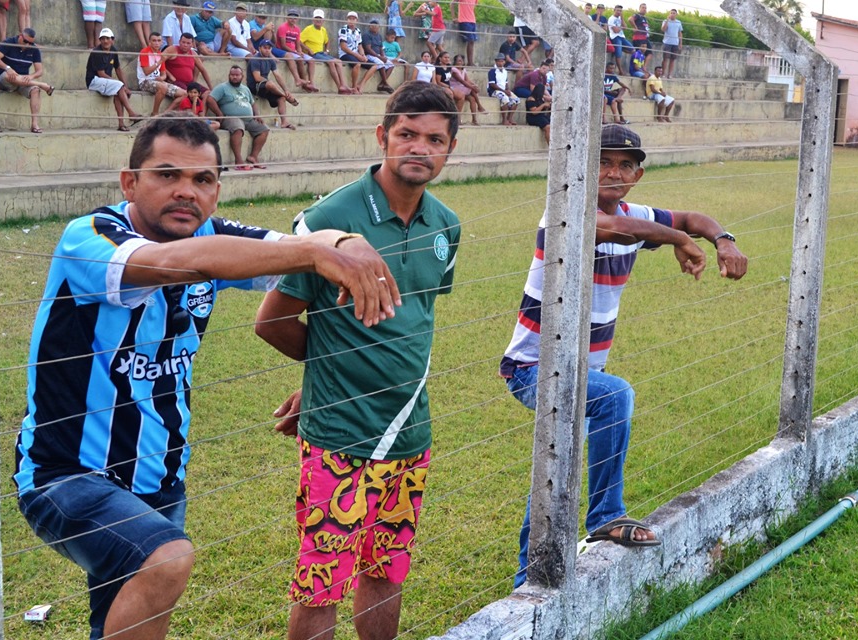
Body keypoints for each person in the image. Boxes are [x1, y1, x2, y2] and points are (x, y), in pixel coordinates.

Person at [13, 114, 399, 640]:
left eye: (202, 180)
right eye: (166, 175)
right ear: (130, 182)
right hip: (67, 474)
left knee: (123, 612)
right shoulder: (91, 237)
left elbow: (295, 240)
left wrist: (346, 239)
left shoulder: (216, 236)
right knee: (166, 560)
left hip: (160, 477)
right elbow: (182, 263)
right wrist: (314, 253)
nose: (185, 192)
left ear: (217, 191)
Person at [254, 80, 461, 640]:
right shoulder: (332, 216)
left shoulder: (446, 225)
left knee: (387, 570)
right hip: (340, 436)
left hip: (411, 432)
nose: (420, 148)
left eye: (435, 139)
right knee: (322, 580)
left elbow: (416, 322)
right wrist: (325, 375)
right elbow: (270, 321)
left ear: (450, 149)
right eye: (407, 134)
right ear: (382, 136)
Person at [501, 124, 748, 588]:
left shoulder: (637, 213)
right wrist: (676, 240)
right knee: (615, 398)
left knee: (559, 466)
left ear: (637, 175)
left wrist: (723, 239)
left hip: (581, 371)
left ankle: (527, 579)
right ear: (585, 167)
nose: (614, 173)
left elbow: (692, 216)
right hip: (533, 368)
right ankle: (606, 516)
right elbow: (616, 227)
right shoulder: (569, 209)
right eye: (604, 162)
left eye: (625, 166)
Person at [0, 27, 54, 134]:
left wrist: (31, 76)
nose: (27, 45)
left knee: (35, 90)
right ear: (20, 36)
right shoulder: (9, 42)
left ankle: (34, 124)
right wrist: (8, 68)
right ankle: (43, 85)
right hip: (6, 79)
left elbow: (39, 71)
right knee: (8, 75)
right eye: (25, 41)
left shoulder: (33, 48)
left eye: (30, 43)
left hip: (23, 82)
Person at [206, 65, 269, 170]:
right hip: (230, 118)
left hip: (248, 119)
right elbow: (210, 99)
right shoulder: (222, 87)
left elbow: (253, 104)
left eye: (237, 75)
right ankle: (238, 161)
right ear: (229, 76)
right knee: (238, 128)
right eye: (232, 75)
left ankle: (253, 157)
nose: (234, 77)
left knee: (264, 129)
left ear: (242, 76)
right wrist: (219, 113)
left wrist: (257, 115)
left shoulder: (245, 89)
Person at [86, 28, 145, 132]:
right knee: (118, 86)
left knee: (119, 90)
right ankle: (131, 113)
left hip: (105, 81)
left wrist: (125, 86)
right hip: (94, 81)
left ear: (112, 40)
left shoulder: (113, 50)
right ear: (100, 40)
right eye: (103, 39)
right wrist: (120, 84)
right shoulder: (97, 52)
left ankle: (121, 124)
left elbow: (118, 69)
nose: (105, 41)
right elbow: (101, 74)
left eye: (107, 38)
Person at [247, 39, 299, 130]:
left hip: (266, 87)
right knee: (270, 83)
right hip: (254, 87)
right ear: (259, 48)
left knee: (281, 98)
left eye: (269, 48)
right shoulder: (255, 59)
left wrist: (286, 90)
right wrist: (270, 83)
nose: (267, 50)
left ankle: (284, 122)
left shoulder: (270, 60)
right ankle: (287, 98)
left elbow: (278, 75)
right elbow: (257, 78)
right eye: (265, 48)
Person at [300, 9, 353, 95]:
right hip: (314, 53)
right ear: (313, 19)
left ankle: (343, 85)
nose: (318, 20)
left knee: (338, 62)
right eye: (316, 18)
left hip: (321, 53)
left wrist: (327, 50)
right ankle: (339, 86)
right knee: (331, 62)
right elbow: (299, 41)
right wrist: (308, 49)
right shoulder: (308, 29)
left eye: (320, 18)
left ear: (323, 20)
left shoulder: (323, 30)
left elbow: (327, 41)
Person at [138, 32, 182, 116]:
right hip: (145, 81)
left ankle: (166, 113)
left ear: (162, 42)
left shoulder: (160, 54)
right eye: (154, 41)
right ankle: (155, 113)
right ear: (149, 42)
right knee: (163, 87)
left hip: (158, 81)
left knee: (184, 94)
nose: (157, 43)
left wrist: (161, 78)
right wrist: (159, 62)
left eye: (159, 41)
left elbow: (164, 74)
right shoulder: (144, 52)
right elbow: (146, 71)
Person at [277, 9, 319, 93]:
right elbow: (283, 45)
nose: (293, 19)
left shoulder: (297, 29)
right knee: (300, 59)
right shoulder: (283, 27)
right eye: (291, 17)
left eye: (295, 18)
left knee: (311, 60)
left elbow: (298, 43)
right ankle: (305, 83)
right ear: (287, 18)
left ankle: (311, 82)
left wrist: (299, 51)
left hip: (294, 51)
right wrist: (296, 52)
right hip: (286, 51)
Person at [164, 32, 215, 98]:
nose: (185, 45)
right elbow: (159, 61)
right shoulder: (172, 49)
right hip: (176, 82)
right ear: (179, 42)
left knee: (209, 95)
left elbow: (203, 70)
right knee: (190, 95)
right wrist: (169, 75)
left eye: (188, 43)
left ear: (192, 44)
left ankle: (203, 108)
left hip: (190, 83)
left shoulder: (193, 54)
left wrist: (210, 87)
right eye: (183, 42)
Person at [338, 11, 375, 94]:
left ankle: (361, 85)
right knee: (357, 64)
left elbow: (360, 45)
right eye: (350, 19)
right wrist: (358, 56)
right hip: (345, 54)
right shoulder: (343, 30)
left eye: (353, 19)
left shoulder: (358, 31)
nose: (351, 21)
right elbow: (344, 47)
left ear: (356, 20)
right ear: (347, 20)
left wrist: (363, 55)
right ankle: (354, 87)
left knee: (374, 66)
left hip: (356, 54)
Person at [362, 18, 396, 94]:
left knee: (391, 65)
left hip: (378, 55)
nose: (374, 27)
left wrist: (383, 56)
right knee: (381, 63)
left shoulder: (379, 36)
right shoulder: (366, 35)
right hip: (369, 55)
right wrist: (379, 57)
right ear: (370, 26)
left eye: (376, 25)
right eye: (373, 25)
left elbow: (381, 48)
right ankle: (386, 84)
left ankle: (382, 84)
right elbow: (368, 49)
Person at [450, 53, 486, 124]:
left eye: (461, 61)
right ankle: (479, 106)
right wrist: (472, 87)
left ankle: (474, 119)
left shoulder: (464, 70)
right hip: (455, 87)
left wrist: (474, 85)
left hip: (463, 88)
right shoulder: (454, 70)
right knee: (472, 89)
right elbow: (462, 81)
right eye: (458, 61)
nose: (460, 62)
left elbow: (467, 80)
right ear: (455, 62)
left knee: (472, 99)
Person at [487, 52, 519, 126]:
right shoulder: (492, 71)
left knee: (516, 99)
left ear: (504, 62)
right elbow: (492, 84)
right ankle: (504, 120)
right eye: (498, 61)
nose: (500, 63)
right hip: (494, 91)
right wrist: (503, 91)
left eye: (502, 61)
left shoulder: (505, 71)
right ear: (496, 62)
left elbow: (506, 82)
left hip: (503, 90)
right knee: (505, 99)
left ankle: (510, 118)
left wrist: (507, 90)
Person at [608, 5, 632, 75]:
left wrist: (622, 18)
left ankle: (620, 48)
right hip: (615, 37)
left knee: (632, 50)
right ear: (614, 10)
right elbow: (615, 31)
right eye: (617, 10)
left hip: (622, 37)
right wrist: (621, 28)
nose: (619, 12)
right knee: (618, 55)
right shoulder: (611, 19)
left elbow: (626, 27)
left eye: (620, 11)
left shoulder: (620, 18)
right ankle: (620, 70)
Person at [453, 0, 478, 66]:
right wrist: (454, 17)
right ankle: (470, 62)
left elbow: (472, 8)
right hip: (464, 20)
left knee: (472, 41)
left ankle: (470, 62)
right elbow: (452, 4)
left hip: (472, 21)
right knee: (471, 40)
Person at [603, 60, 629, 124]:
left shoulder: (613, 76)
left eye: (613, 68)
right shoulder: (603, 75)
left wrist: (628, 88)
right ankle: (603, 118)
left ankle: (616, 119)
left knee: (617, 96)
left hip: (609, 94)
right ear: (606, 68)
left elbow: (621, 84)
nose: (612, 70)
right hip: (603, 94)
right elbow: (599, 89)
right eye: (610, 68)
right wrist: (610, 92)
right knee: (606, 99)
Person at [661, 8, 683, 79]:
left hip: (675, 43)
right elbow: (663, 29)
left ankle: (669, 74)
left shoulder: (678, 22)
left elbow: (680, 33)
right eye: (671, 13)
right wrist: (667, 20)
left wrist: (680, 43)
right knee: (665, 59)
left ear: (676, 14)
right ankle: (663, 74)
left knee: (673, 59)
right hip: (667, 42)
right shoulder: (665, 21)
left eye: (674, 13)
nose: (672, 14)